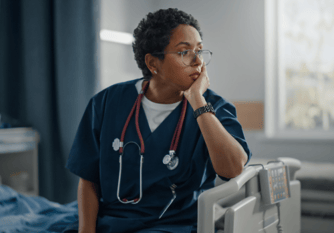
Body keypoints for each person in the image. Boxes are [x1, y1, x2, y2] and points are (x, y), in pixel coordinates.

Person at [64, 8, 252, 233]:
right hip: (112, 224)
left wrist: (198, 102)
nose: (197, 61)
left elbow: (232, 169)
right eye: (184, 52)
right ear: (154, 63)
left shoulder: (214, 107)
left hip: (177, 226)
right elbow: (88, 180)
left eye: (199, 51)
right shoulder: (106, 103)